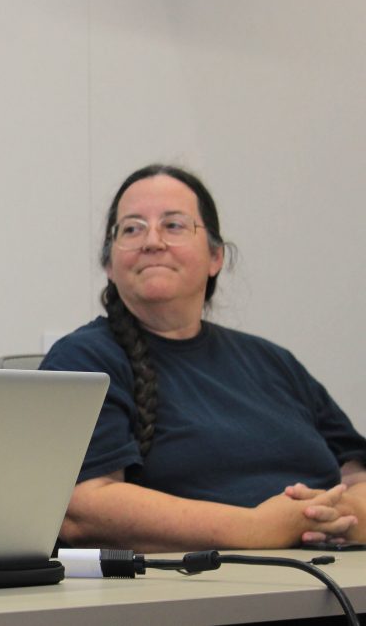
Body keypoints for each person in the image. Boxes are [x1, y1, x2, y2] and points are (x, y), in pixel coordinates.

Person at [40, 163, 366, 551]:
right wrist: (254, 528)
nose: (152, 241)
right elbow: (83, 507)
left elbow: (358, 475)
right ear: (109, 264)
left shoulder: (274, 362)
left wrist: (343, 519)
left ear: (216, 257)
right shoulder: (85, 359)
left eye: (174, 225)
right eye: (132, 228)